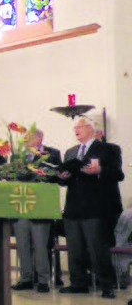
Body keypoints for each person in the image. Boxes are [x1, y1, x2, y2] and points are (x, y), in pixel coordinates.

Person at [56, 117, 120, 299]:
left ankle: (107, 284)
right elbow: (64, 180)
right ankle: (78, 283)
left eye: (80, 127)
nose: (76, 130)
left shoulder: (108, 149)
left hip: (96, 207)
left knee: (97, 248)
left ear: (91, 129)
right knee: (74, 247)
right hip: (73, 207)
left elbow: (118, 174)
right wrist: (62, 176)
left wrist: (100, 171)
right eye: (75, 128)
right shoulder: (70, 152)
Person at [11, 128, 61, 293]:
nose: (25, 140)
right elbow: (13, 176)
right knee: (22, 244)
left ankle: (43, 280)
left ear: (39, 138)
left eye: (28, 137)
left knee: (40, 245)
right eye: (24, 138)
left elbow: (56, 176)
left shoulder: (52, 154)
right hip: (21, 205)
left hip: (41, 206)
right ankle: (25, 278)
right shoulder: (18, 156)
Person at [92, 117, 124, 248]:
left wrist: (100, 170)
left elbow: (118, 174)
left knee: (108, 244)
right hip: (87, 208)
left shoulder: (112, 149)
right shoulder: (78, 151)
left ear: (99, 134)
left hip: (108, 205)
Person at [113, 207, 132, 290]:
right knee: (121, 255)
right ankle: (121, 278)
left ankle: (122, 277)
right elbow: (121, 235)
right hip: (124, 244)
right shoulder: (128, 214)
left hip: (124, 243)